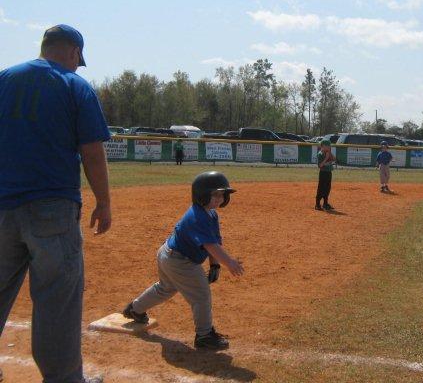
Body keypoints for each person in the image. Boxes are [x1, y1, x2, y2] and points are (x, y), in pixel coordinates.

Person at [0, 24, 112, 383]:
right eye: (79, 60)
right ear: (74, 52)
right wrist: (104, 202)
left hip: (1, 207)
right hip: (52, 208)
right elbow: (92, 152)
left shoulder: (4, 78)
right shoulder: (74, 85)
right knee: (56, 300)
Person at [122, 171, 244, 350]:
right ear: (202, 194)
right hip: (179, 261)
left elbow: (215, 240)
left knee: (165, 288)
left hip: (169, 255)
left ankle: (135, 309)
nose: (220, 198)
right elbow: (211, 246)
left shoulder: (210, 214)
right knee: (201, 295)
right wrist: (229, 263)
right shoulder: (198, 216)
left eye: (222, 195)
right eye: (215, 194)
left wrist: (215, 264)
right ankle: (204, 335)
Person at [315, 140, 336, 210]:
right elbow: (320, 165)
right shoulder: (320, 154)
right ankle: (317, 204)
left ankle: (325, 204)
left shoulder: (328, 153)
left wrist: (330, 153)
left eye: (329, 146)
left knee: (327, 188)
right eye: (328, 146)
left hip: (329, 173)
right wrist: (326, 158)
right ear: (323, 146)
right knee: (321, 189)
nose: (329, 147)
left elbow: (334, 159)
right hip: (323, 173)